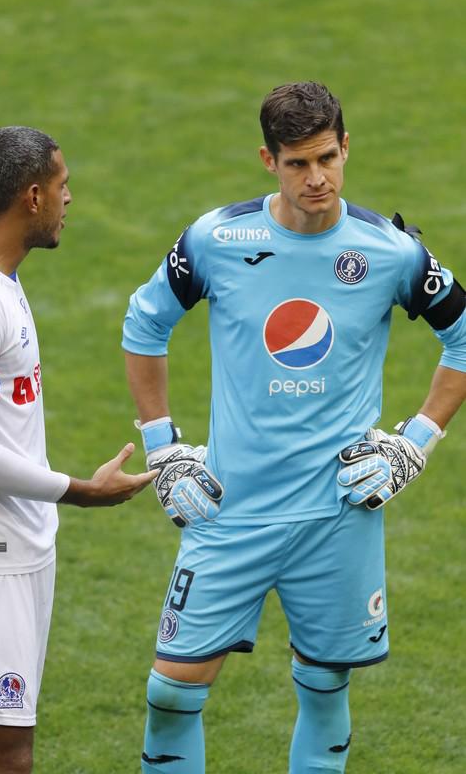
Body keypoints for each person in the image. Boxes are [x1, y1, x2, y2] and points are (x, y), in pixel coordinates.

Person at [122, 82, 466, 773]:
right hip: (229, 509)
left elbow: (460, 335)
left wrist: (414, 443)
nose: (317, 178)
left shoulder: (389, 252)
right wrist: (163, 452)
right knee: (170, 690)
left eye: (327, 158)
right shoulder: (217, 239)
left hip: (335, 515)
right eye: (297, 164)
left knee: (323, 686)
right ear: (267, 160)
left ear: (345, 148)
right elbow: (144, 323)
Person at [0, 126, 156, 774]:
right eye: (62, 186)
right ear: (32, 196)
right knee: (5, 754)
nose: (69, 198)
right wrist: (80, 491)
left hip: (4, 550)